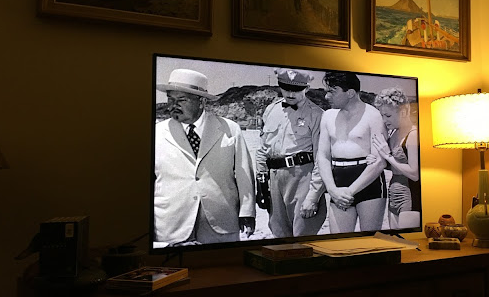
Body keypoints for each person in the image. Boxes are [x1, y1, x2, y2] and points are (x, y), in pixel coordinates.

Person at [153, 68, 256, 247]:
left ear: (201, 101)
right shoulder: (156, 133)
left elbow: (244, 173)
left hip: (220, 225)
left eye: (181, 100)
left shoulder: (230, 129)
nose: (173, 105)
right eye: (170, 99)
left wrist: (247, 212)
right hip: (171, 226)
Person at [255, 68, 327, 237]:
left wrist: (314, 194)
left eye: (296, 89)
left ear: (306, 88)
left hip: (302, 176)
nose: (290, 94)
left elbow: (321, 158)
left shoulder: (317, 115)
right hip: (274, 178)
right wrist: (261, 181)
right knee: (279, 232)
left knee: (303, 233)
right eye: (286, 88)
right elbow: (263, 148)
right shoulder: (271, 110)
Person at [317, 71, 387, 233]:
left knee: (370, 241)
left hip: (369, 181)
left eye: (332, 92)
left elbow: (379, 161)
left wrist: (350, 191)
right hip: (338, 181)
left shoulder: (373, 115)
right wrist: (332, 189)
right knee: (339, 241)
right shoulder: (327, 116)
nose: (327, 96)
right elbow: (323, 156)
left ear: (350, 93)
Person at [372, 87, 421, 230]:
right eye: (382, 115)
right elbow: (395, 165)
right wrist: (376, 159)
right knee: (395, 239)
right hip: (393, 194)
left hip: (409, 195)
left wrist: (387, 156)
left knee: (407, 239)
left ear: (404, 112)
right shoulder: (393, 133)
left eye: (388, 116)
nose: (384, 120)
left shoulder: (413, 135)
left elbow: (414, 173)